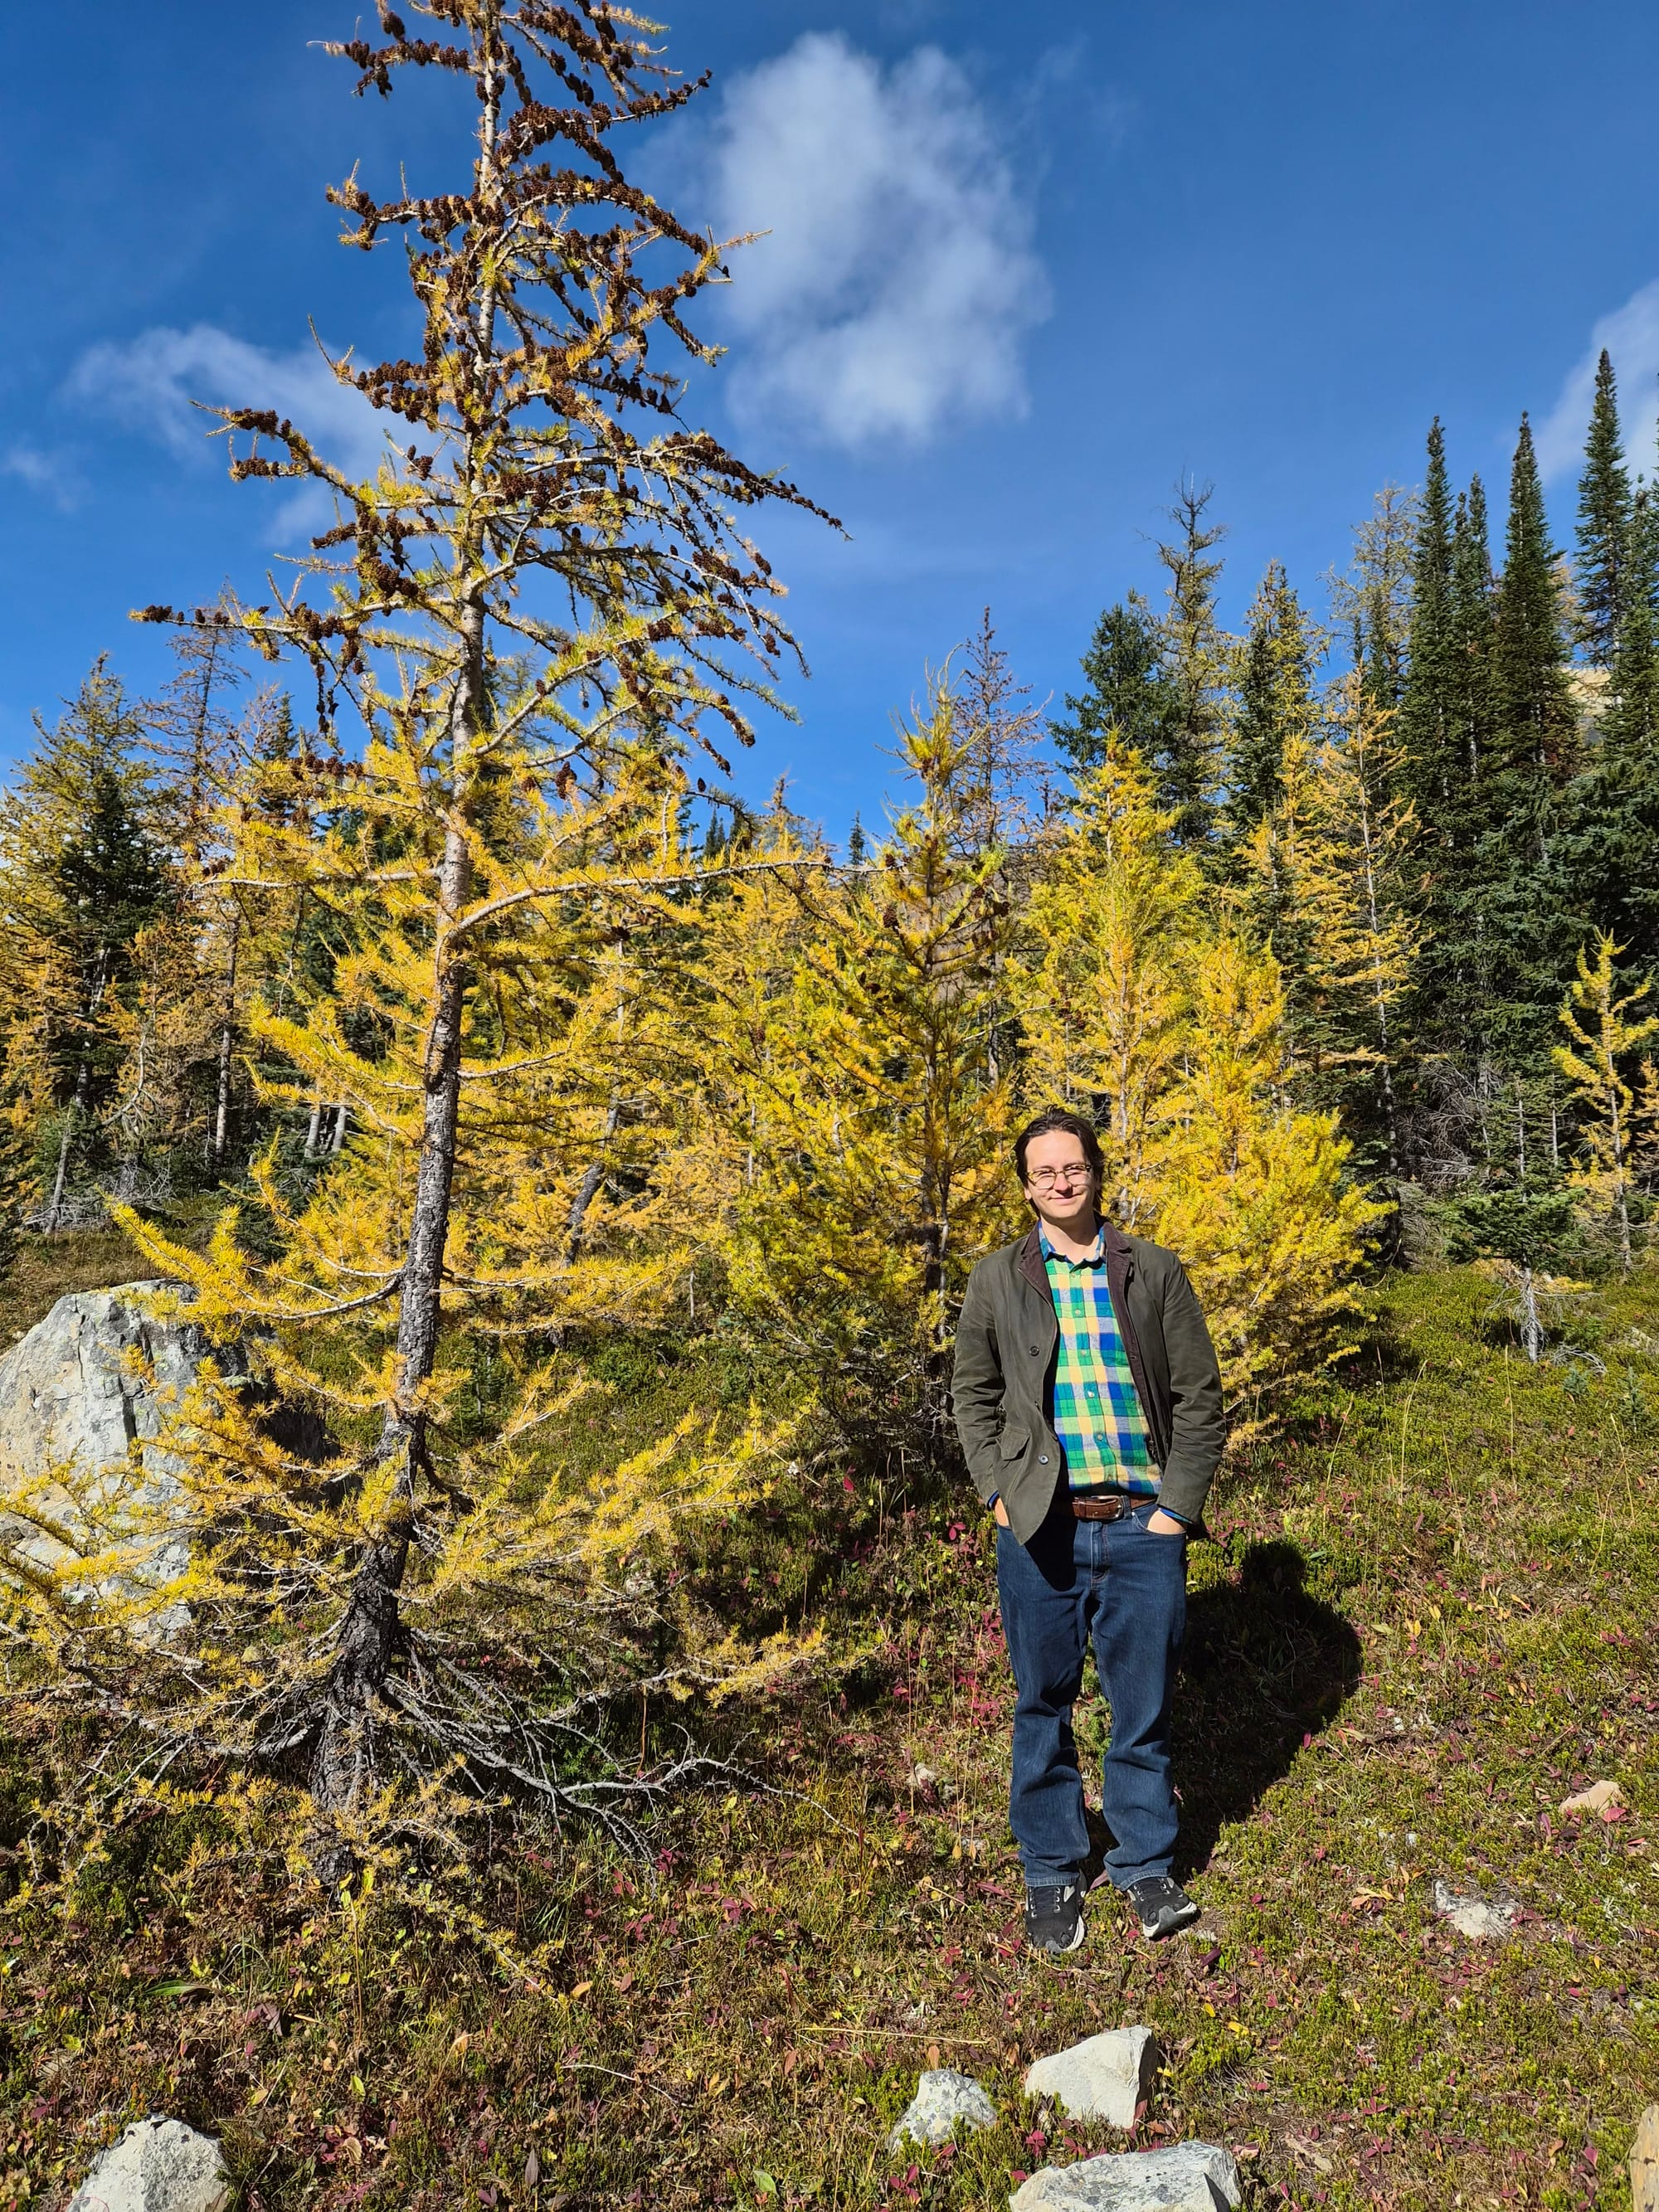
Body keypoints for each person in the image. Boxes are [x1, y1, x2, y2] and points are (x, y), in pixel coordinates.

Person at [951, 1106, 1225, 1952]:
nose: (1060, 1183)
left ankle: (1144, 1865)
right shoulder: (998, 1278)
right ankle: (1051, 1871)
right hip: (1041, 1527)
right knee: (1041, 1702)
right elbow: (973, 1394)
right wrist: (998, 1492)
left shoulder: (1152, 1269)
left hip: (1142, 1524)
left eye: (1073, 1168)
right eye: (1043, 1173)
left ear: (1095, 1172)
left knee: (1139, 1707)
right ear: (1025, 1186)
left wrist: (1175, 1510)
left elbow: (1198, 1397)